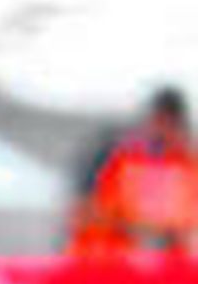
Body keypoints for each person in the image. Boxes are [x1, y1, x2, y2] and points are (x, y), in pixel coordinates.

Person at [68, 86, 198, 259]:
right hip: (110, 262)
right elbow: (83, 211)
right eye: (160, 121)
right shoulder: (117, 156)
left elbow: (185, 229)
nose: (163, 131)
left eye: (171, 123)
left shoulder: (186, 164)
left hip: (163, 268)